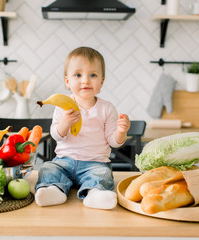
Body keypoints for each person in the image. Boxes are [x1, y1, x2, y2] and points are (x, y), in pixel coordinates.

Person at [34, 46, 131, 210]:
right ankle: (53, 190)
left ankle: (95, 194)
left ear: (101, 81)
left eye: (93, 75)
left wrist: (121, 132)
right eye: (78, 75)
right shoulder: (62, 106)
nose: (85, 80)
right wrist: (64, 124)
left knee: (104, 175)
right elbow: (56, 136)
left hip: (95, 164)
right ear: (67, 81)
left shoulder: (106, 108)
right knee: (48, 168)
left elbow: (113, 142)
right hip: (64, 161)